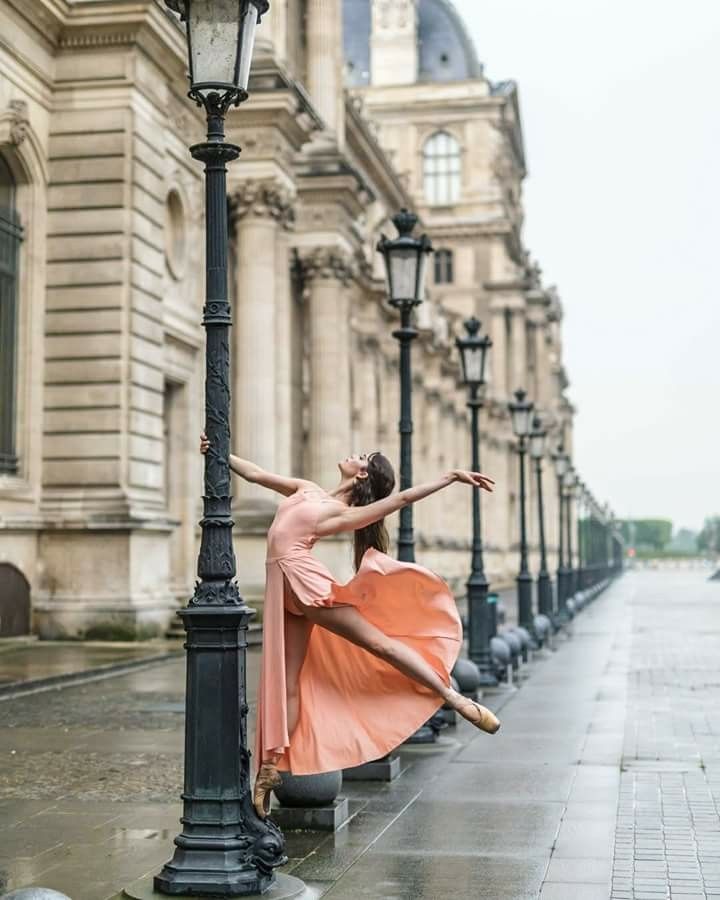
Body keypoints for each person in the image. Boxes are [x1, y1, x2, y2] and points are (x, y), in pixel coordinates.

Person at [199, 432, 501, 819]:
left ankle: (455, 698)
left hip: (309, 586)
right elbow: (256, 475)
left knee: (381, 645)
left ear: (362, 476)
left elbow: (402, 499)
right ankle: (270, 770)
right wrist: (221, 453)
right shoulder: (307, 490)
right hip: (284, 588)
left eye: (363, 457)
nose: (354, 454)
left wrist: (450, 477)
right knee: (287, 683)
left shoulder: (343, 513)